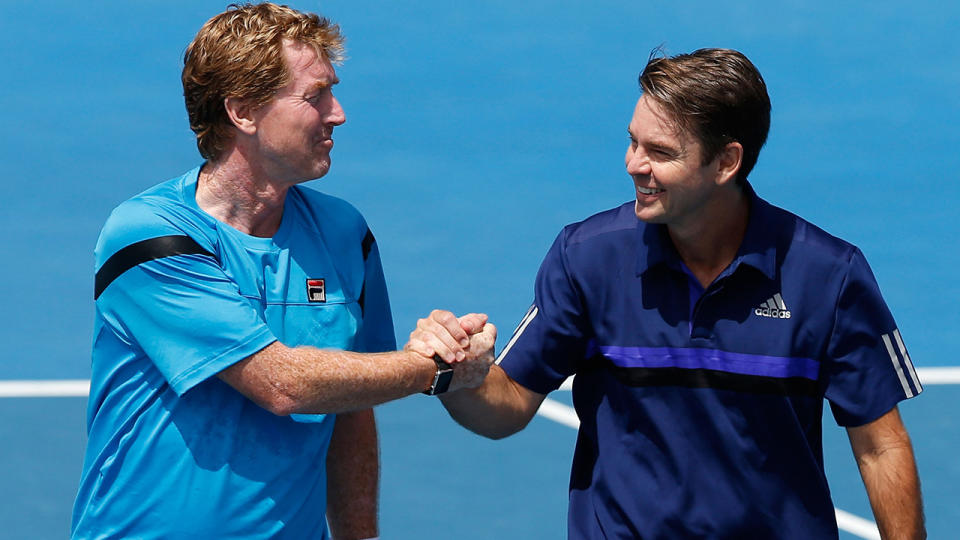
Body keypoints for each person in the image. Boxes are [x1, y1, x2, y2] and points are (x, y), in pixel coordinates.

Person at [417, 48, 926, 539]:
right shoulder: (588, 257)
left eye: (660, 152)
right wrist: (458, 377)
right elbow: (508, 405)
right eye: (633, 142)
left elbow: (881, 446)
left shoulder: (828, 275)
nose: (634, 164)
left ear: (726, 162)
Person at [71, 3, 495, 539]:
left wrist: (359, 536)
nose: (337, 112)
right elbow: (281, 383)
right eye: (315, 95)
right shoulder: (150, 237)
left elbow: (352, 406)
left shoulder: (345, 234)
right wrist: (432, 369)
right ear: (243, 112)